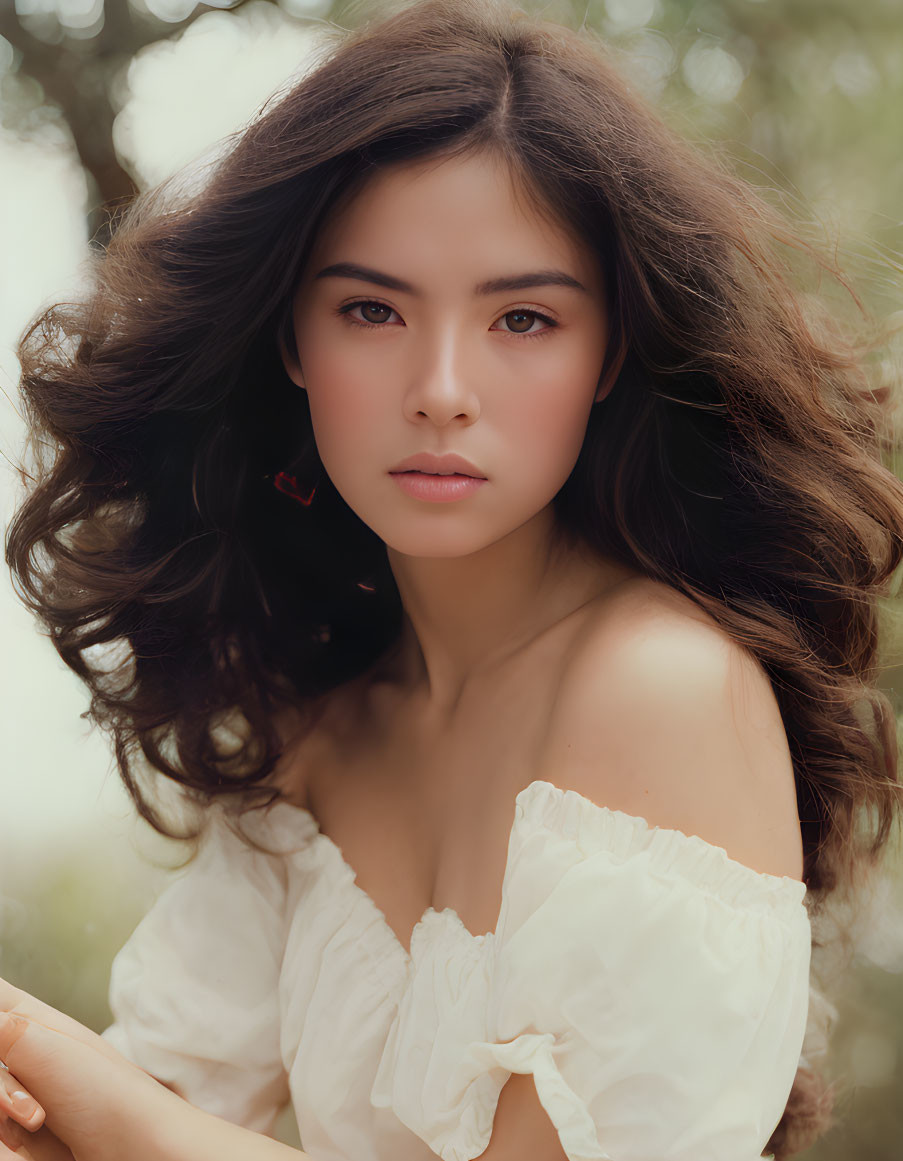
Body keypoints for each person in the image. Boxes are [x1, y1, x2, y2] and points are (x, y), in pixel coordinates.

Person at [3, 0, 903, 1158]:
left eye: (522, 318)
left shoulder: (662, 685)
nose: (440, 388)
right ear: (292, 341)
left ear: (610, 353)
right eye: (371, 309)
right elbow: (100, 1117)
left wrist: (39, 1048)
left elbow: (116, 1112)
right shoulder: (325, 732)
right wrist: (52, 1086)